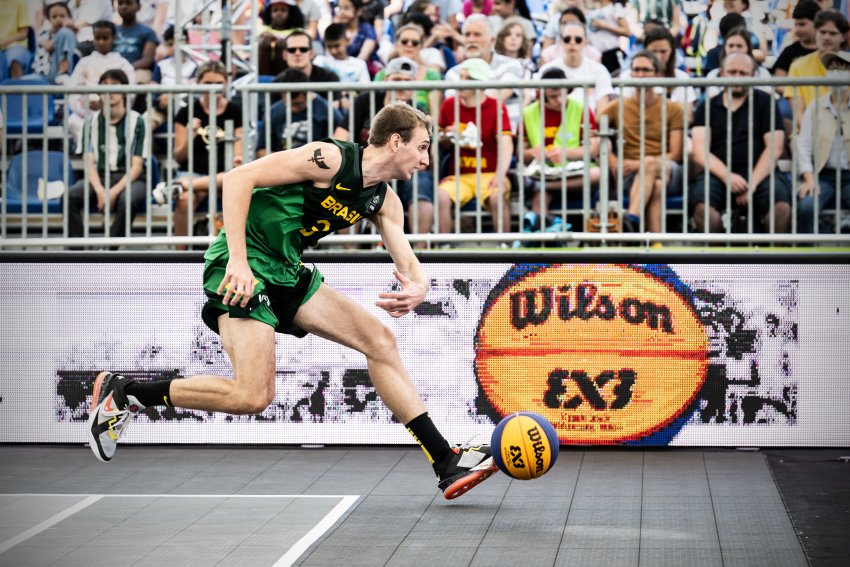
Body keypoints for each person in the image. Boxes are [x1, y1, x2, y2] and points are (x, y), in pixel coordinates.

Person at [86, 101, 499, 501]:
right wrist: (239, 263)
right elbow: (238, 178)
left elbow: (407, 260)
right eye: (423, 147)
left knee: (380, 341)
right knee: (253, 395)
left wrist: (420, 286)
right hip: (242, 261)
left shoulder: (384, 201)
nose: (426, 160)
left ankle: (446, 462)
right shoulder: (329, 158)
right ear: (395, 141)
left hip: (286, 270)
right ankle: (126, 392)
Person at [690, 52, 791, 234]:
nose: (737, 77)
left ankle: (774, 260)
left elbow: (775, 148)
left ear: (753, 74)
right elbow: (699, 151)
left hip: (761, 173)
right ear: (722, 73)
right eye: (732, 72)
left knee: (781, 208)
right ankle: (718, 259)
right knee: (701, 208)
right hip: (718, 174)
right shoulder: (707, 106)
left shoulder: (766, 102)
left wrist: (751, 183)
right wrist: (728, 176)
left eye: (743, 73)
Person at [336, 57, 437, 238]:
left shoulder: (419, 112)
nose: (402, 85)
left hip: (403, 173)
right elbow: (340, 138)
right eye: (397, 79)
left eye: (408, 81)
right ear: (385, 80)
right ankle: (348, 253)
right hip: (366, 168)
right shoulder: (365, 101)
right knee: (351, 180)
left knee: (421, 183)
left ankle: (423, 251)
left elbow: (424, 159)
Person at [601, 50, 684, 233]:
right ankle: (655, 247)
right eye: (636, 69)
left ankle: (631, 219)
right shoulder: (617, 107)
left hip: (669, 170)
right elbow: (594, 133)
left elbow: (676, 154)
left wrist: (640, 164)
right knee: (656, 186)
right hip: (631, 176)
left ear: (658, 75)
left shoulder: (674, 108)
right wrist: (613, 161)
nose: (640, 75)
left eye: (646, 70)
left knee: (651, 165)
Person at [66, 69, 147, 242]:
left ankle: (110, 253)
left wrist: (113, 192)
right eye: (104, 86)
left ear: (125, 91)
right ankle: (77, 255)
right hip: (99, 177)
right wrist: (100, 191)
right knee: (69, 197)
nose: (109, 91)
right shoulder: (89, 122)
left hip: (129, 179)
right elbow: (88, 164)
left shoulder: (137, 121)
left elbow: (137, 166)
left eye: (115, 86)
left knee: (128, 200)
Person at [437, 58, 514, 235]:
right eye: (461, 76)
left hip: (489, 173)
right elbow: (441, 144)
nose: (461, 82)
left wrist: (500, 174)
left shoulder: (496, 107)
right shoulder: (449, 105)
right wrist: (447, 135)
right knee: (441, 196)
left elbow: (506, 143)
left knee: (497, 197)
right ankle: (442, 250)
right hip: (459, 175)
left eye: (467, 78)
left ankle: (507, 250)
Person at [172, 61, 244, 246]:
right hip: (192, 171)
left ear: (226, 84)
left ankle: (231, 257)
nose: (213, 88)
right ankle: (179, 258)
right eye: (208, 83)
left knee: (235, 192)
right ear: (198, 83)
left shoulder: (235, 111)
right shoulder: (187, 111)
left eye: (218, 83)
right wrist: (190, 137)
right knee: (184, 201)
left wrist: (238, 158)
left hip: (223, 176)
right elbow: (178, 157)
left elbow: (238, 158)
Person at [522, 67, 600, 232]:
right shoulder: (528, 113)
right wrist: (532, 153)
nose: (558, 100)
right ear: (543, 94)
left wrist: (565, 153)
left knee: (596, 174)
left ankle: (545, 187)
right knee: (540, 196)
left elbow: (593, 149)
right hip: (544, 171)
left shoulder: (581, 109)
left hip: (574, 173)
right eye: (553, 96)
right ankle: (539, 240)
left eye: (562, 95)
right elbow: (521, 154)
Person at [795, 51, 850, 234]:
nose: (835, 72)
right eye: (832, 68)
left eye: (842, 67)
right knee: (806, 207)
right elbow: (803, 146)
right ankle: (807, 259)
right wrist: (809, 179)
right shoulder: (815, 107)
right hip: (823, 175)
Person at [66, 20, 137, 153]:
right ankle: (90, 157)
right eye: (97, 38)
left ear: (113, 38)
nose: (101, 42)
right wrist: (86, 105)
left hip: (116, 112)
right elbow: (73, 90)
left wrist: (106, 105)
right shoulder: (84, 63)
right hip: (86, 111)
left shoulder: (123, 64)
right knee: (73, 121)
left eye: (105, 38)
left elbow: (130, 93)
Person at [256, 68, 345, 157]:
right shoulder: (273, 112)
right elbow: (261, 149)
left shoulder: (329, 113)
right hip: (283, 165)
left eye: (298, 104)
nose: (293, 109)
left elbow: (339, 149)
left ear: (309, 94)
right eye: (288, 103)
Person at [786, 10, 849, 128]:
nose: (826, 37)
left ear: (843, 37)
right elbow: (798, 112)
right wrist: (814, 135)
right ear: (815, 32)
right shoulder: (798, 66)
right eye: (822, 32)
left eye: (833, 33)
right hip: (808, 132)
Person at [536, 21, 615, 115]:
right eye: (567, 39)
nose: (572, 43)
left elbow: (602, 110)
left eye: (578, 39)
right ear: (561, 41)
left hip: (589, 125)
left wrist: (593, 126)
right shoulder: (547, 69)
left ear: (585, 41)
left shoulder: (599, 70)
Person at [618, 26, 697, 111]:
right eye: (653, 51)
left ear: (672, 51)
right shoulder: (629, 75)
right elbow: (622, 111)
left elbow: (687, 116)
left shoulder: (682, 77)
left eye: (663, 52)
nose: (658, 57)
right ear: (645, 50)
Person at [772, 0, 820, 86]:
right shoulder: (789, 51)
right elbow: (779, 84)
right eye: (796, 25)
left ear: (817, 23)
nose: (797, 29)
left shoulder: (826, 51)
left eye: (802, 24)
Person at [257, 0, 305, 77]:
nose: (279, 13)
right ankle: (264, 80)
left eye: (283, 10)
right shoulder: (263, 30)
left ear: (291, 13)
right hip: (265, 69)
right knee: (264, 42)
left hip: (289, 68)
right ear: (269, 13)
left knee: (281, 45)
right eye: (275, 10)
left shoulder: (298, 32)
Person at [33, 1, 77, 84]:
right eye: (54, 16)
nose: (58, 19)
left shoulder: (69, 33)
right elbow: (48, 46)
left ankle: (63, 73)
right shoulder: (44, 33)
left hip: (56, 72)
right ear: (49, 19)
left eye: (62, 16)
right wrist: (63, 28)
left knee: (66, 33)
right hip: (42, 72)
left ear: (69, 17)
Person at [115, 0, 159, 83]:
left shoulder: (148, 32)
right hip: (112, 70)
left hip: (137, 72)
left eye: (129, 3)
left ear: (139, 7)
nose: (124, 7)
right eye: (120, 3)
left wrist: (126, 68)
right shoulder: (111, 31)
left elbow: (147, 60)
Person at [1, 0, 32, 80]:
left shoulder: (21, 2)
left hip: (16, 46)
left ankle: (17, 90)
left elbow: (23, 34)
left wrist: (3, 42)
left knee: (15, 61)